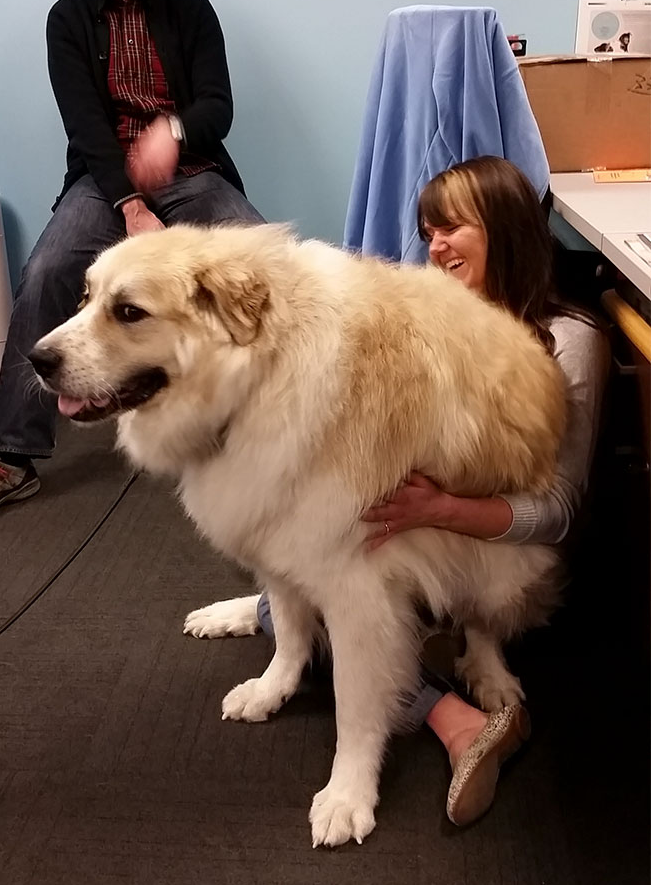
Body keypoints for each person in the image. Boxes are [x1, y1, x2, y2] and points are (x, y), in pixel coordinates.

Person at [258, 154, 609, 827]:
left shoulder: (568, 338)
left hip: (505, 549)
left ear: (504, 231)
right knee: (304, 596)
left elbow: (558, 513)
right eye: (429, 231)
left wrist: (443, 509)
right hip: (421, 527)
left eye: (453, 227)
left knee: (341, 606)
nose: (435, 246)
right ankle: (458, 716)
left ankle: (469, 655)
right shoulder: (421, 321)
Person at [0, 0, 264, 533]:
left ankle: (275, 422)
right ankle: (13, 454)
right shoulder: (66, 20)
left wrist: (171, 132)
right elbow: (88, 130)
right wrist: (129, 203)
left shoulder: (191, 6)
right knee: (44, 275)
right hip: (103, 182)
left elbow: (218, 107)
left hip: (196, 174)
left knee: (257, 265)